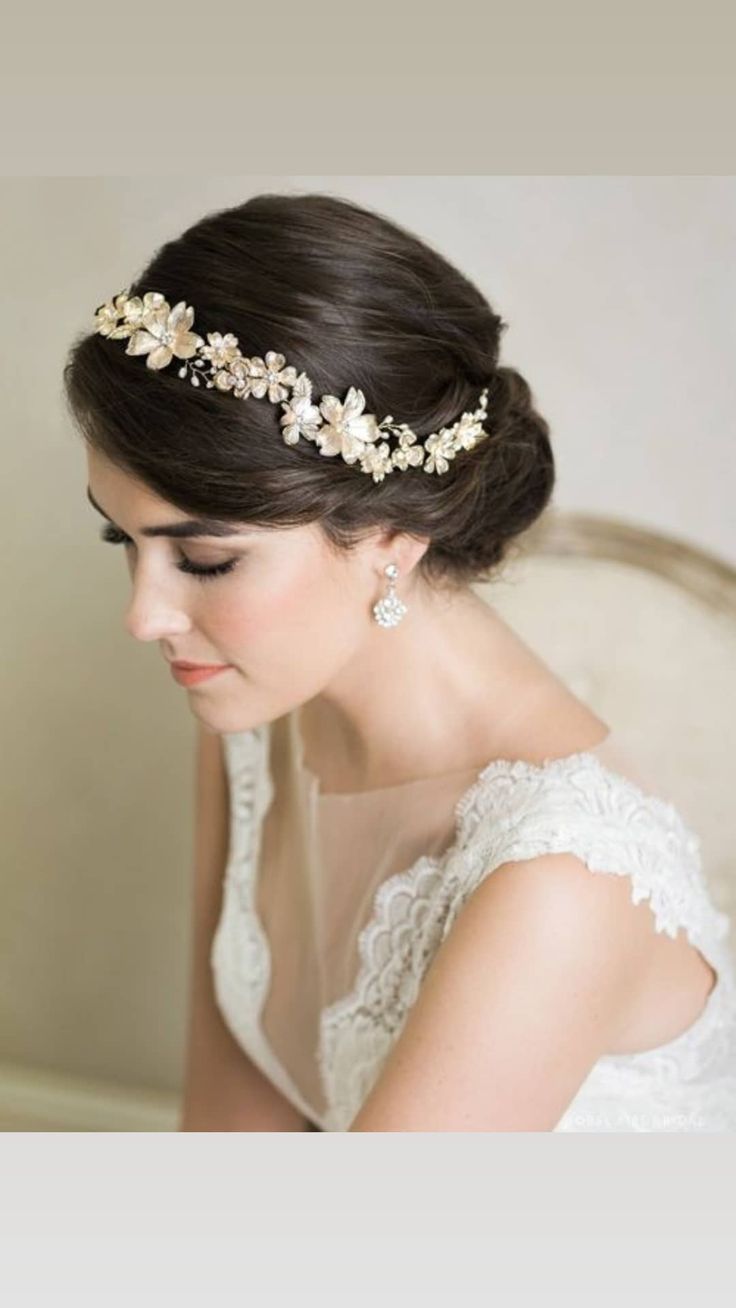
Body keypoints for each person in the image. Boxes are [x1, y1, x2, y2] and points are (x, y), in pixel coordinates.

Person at [63, 191, 736, 1131]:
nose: (144, 615)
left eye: (207, 560)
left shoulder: (556, 878)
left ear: (390, 531)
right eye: (122, 542)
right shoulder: (251, 729)